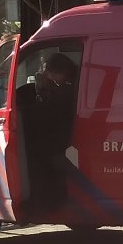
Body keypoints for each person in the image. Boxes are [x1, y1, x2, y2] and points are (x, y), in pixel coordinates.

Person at [23, 53, 78, 211]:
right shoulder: (71, 85)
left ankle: (42, 201)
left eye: (48, 70)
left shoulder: (67, 90)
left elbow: (44, 113)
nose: (46, 74)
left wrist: (41, 90)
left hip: (64, 140)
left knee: (33, 152)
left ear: (59, 71)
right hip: (66, 135)